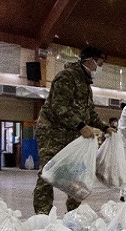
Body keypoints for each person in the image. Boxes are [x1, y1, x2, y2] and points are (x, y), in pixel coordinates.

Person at [33, 46, 115, 214]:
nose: (100, 66)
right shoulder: (66, 77)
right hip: (52, 132)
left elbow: (89, 113)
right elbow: (58, 106)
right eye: (100, 62)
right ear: (89, 60)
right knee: (48, 172)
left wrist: (104, 127)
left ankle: (73, 213)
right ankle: (42, 214)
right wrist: (81, 126)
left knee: (77, 174)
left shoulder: (86, 84)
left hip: (71, 134)